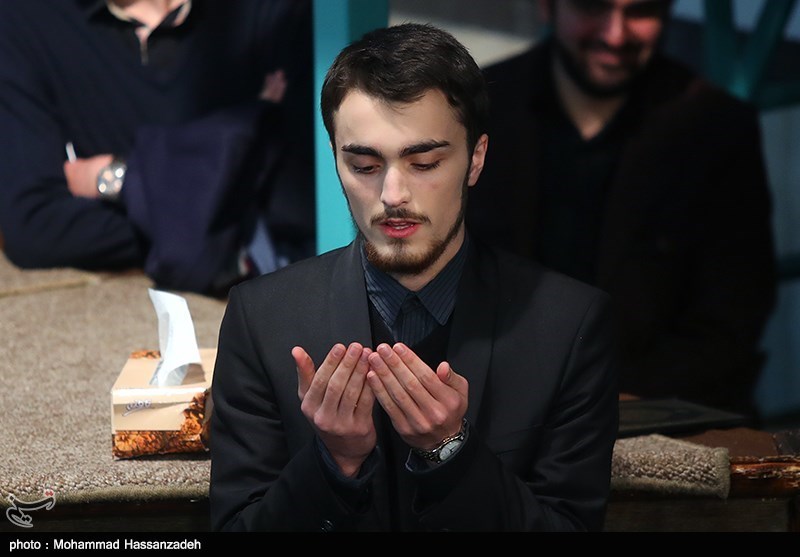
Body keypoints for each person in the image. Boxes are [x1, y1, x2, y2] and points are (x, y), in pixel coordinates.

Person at [209, 22, 618, 532]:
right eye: (364, 165)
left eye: (424, 163)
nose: (393, 194)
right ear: (335, 160)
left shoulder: (568, 326)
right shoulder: (262, 319)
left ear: (476, 159)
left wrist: (451, 452)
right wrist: (334, 462)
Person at [468, 0, 777, 420]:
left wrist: (597, 403)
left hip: (657, 412)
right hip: (493, 407)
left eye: (641, 11)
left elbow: (730, 322)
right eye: (592, 7)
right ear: (547, 7)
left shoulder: (717, 126)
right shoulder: (478, 109)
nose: (616, 35)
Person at [0, 0, 315, 296]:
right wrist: (222, 204)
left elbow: (306, 201)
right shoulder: (26, 17)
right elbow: (34, 225)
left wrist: (121, 179)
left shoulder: (273, 11)